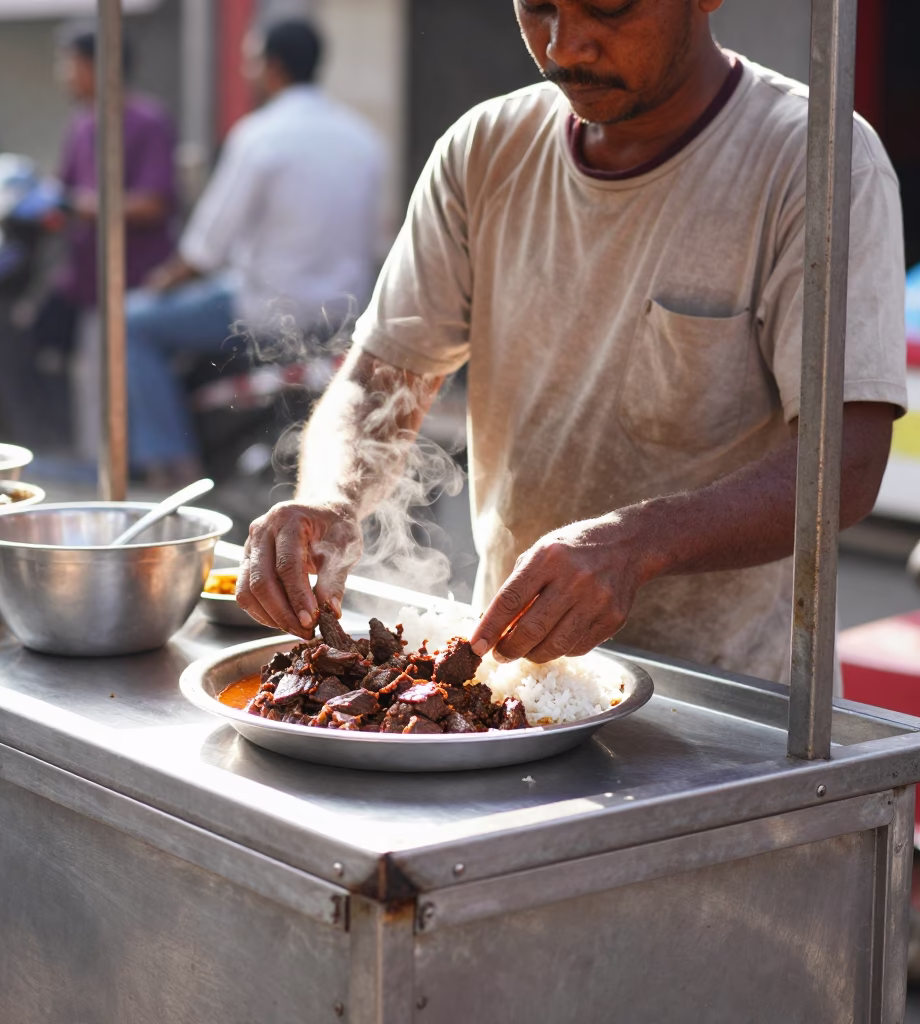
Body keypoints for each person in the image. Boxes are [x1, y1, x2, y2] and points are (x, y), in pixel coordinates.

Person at [237, 0, 907, 686]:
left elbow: (845, 461)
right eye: (539, 8)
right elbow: (378, 379)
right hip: (515, 682)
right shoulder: (484, 149)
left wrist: (640, 543)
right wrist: (329, 500)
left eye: (609, 7)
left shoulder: (819, 164)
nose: (567, 46)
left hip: (733, 700)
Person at [125, 18, 386, 484]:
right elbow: (375, 242)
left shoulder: (259, 135)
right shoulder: (365, 140)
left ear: (274, 67)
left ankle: (174, 465)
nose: (249, 72)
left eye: (253, 62)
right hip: (342, 319)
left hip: (261, 313)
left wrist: (162, 282)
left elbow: (204, 249)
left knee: (134, 322)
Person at [54, 22, 177, 458]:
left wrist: (85, 206)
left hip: (138, 278)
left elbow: (155, 202)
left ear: (98, 66)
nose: (65, 75)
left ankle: (154, 465)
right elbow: (60, 194)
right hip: (89, 278)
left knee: (122, 380)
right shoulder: (81, 124)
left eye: (72, 65)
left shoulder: (147, 120)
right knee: (92, 383)